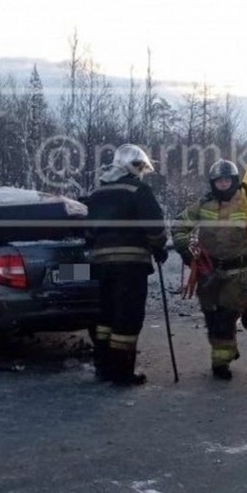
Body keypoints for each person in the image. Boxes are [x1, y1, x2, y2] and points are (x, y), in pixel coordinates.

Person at [86, 144, 169, 386]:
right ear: (130, 166)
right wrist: (159, 247)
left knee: (105, 317)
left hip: (100, 265)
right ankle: (122, 373)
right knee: (127, 317)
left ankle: (103, 368)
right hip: (130, 266)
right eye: (140, 166)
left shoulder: (98, 193)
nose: (142, 171)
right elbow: (155, 228)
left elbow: (89, 231)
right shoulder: (138, 189)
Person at [172, 159, 247, 380]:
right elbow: (180, 225)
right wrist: (184, 251)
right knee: (211, 316)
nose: (223, 184)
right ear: (213, 183)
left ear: (234, 181)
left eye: (227, 180)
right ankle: (226, 349)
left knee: (226, 317)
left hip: (238, 272)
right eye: (219, 181)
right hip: (208, 272)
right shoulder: (203, 204)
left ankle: (220, 362)